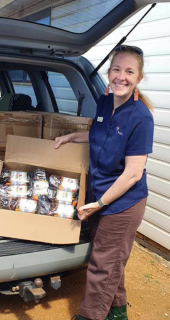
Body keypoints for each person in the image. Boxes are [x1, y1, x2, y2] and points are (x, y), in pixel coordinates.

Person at [55, 45, 154, 320]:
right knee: (111, 260)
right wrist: (72, 137)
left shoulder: (141, 118)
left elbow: (133, 174)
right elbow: (98, 133)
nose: (121, 77)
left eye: (129, 71)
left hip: (122, 202)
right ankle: (118, 312)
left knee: (102, 263)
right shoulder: (104, 101)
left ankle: (91, 315)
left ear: (139, 78)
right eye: (116, 69)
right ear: (109, 72)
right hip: (100, 195)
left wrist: (98, 203)